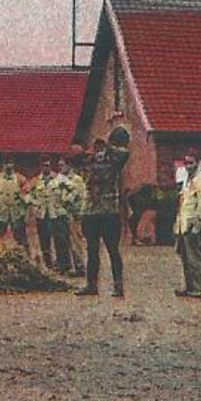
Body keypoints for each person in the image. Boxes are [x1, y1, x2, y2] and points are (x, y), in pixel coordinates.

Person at [77, 127, 131, 298]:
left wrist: (102, 148)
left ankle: (117, 286)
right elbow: (76, 158)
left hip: (107, 210)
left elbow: (122, 154)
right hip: (95, 210)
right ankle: (92, 285)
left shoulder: (116, 158)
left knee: (112, 250)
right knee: (93, 251)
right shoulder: (99, 158)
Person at [174, 152, 201, 299]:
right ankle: (191, 287)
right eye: (186, 163)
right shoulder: (188, 181)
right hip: (184, 225)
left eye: (191, 163)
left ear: (198, 163)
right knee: (187, 257)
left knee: (196, 257)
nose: (188, 166)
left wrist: (198, 225)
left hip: (194, 225)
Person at [30, 156, 74, 274]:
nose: (46, 168)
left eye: (48, 165)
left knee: (61, 240)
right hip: (42, 215)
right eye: (44, 165)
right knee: (44, 241)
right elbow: (27, 194)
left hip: (57, 214)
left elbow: (73, 190)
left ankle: (63, 265)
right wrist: (35, 204)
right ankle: (48, 265)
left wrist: (66, 201)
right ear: (40, 166)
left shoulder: (60, 179)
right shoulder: (36, 180)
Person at [0, 160, 30, 252]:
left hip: (16, 213)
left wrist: (24, 212)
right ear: (2, 164)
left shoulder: (21, 178)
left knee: (20, 237)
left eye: (10, 163)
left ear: (14, 164)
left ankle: (24, 256)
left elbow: (26, 196)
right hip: (1, 213)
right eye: (6, 163)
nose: (8, 165)